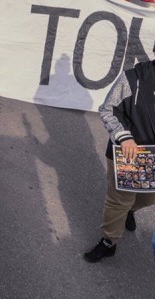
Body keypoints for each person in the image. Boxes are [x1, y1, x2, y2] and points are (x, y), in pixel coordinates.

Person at [83, 45, 155, 263]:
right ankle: (109, 242)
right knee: (119, 201)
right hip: (128, 155)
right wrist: (125, 137)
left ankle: (129, 210)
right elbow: (108, 109)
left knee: (148, 197)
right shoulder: (133, 78)